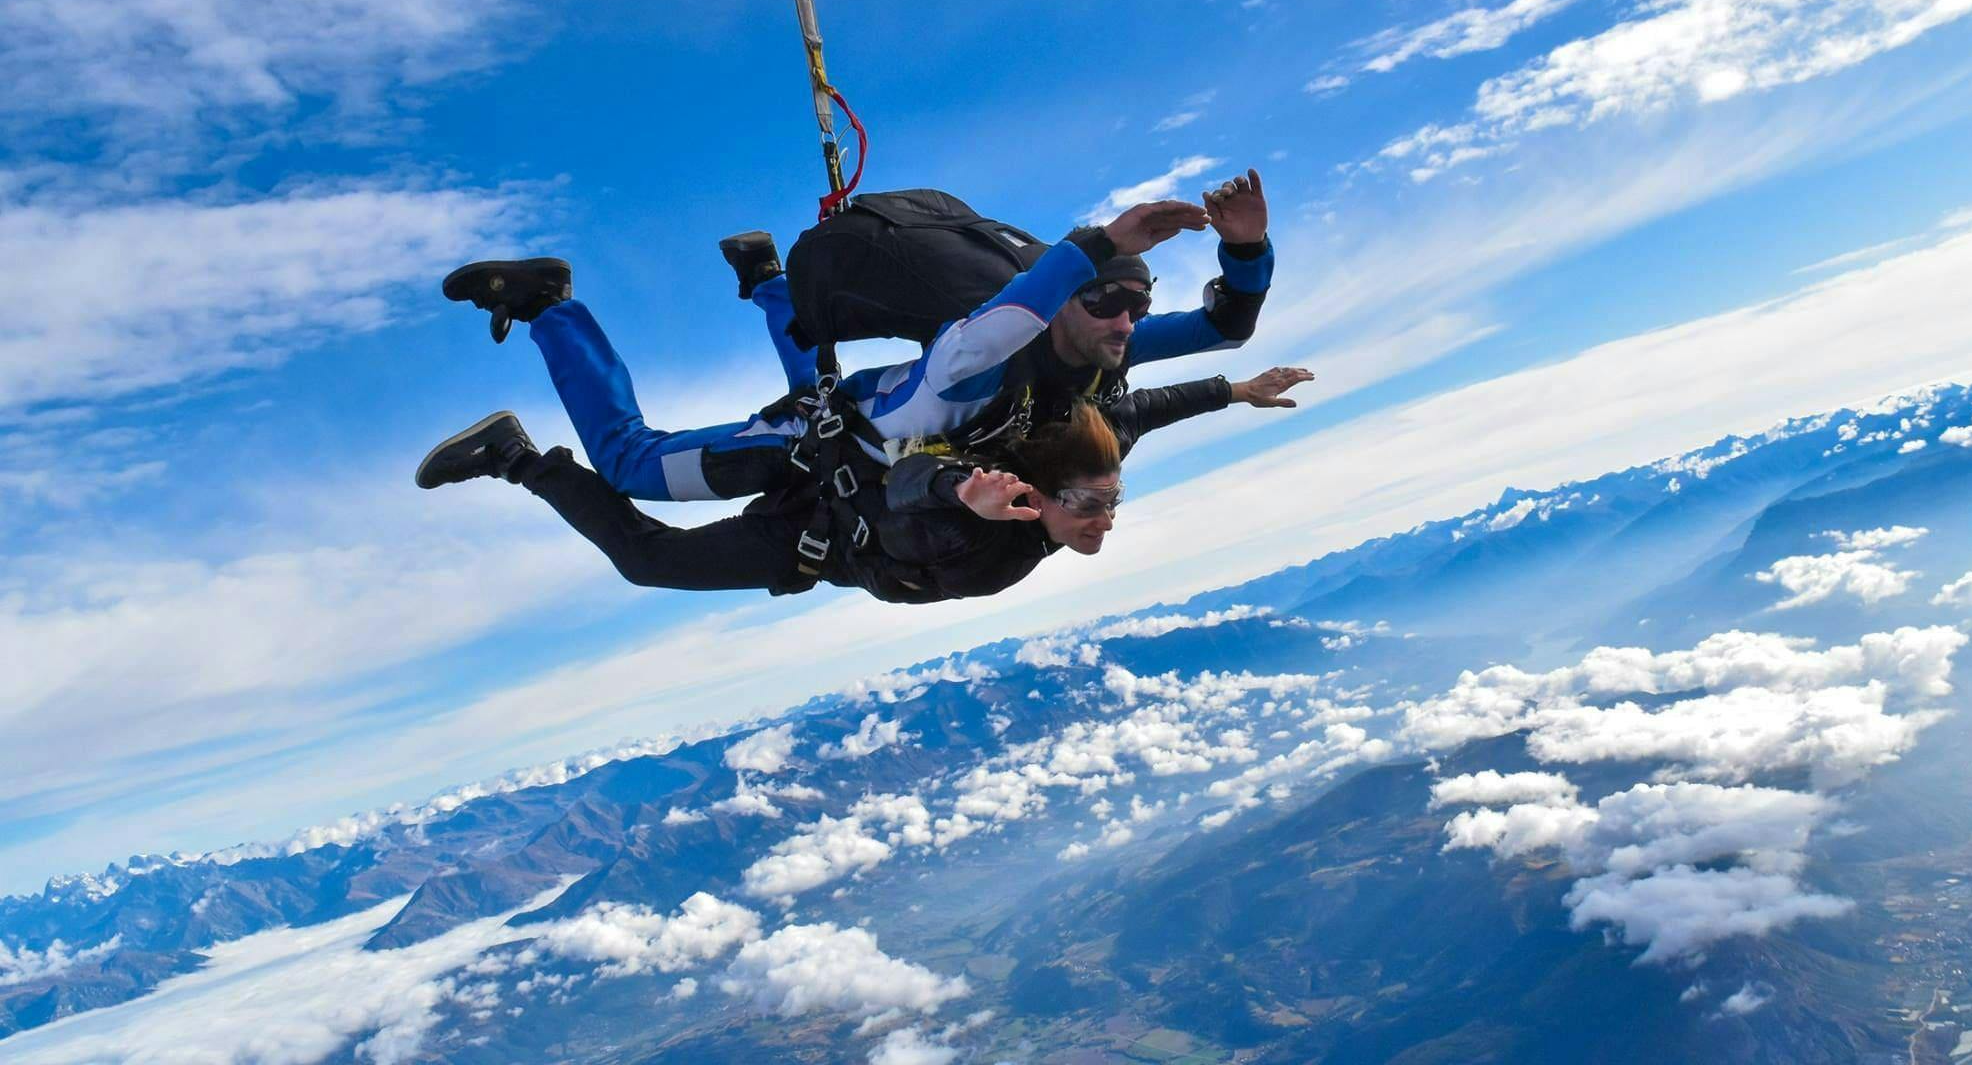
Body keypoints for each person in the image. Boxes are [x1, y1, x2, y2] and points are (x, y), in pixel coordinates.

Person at [438, 173, 1274, 506]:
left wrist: (1243, 249)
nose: (1126, 321)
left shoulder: (1100, 349)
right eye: (1103, 302)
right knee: (627, 465)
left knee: (825, 372)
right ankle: (548, 304)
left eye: (1138, 303)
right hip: (817, 436)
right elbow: (1007, 318)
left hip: (858, 416)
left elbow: (1222, 328)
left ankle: (770, 277)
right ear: (1060, 304)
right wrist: (1097, 242)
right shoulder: (976, 360)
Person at [416, 365, 1313, 604]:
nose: (1104, 522)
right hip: (820, 524)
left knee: (655, 510)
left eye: (1111, 506)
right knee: (649, 555)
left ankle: (766, 281)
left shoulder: (1077, 461)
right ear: (1037, 492)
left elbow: (1138, 413)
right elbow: (918, 483)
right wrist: (963, 493)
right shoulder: (990, 500)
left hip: (832, 500)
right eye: (1091, 508)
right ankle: (519, 459)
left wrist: (1234, 391)